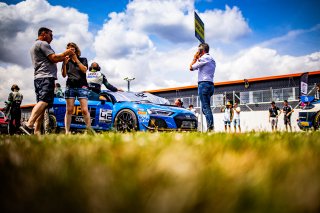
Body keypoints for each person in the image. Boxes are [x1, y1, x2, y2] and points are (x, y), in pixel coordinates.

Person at [20, 27, 75, 135]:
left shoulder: (35, 46)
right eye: (51, 35)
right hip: (46, 77)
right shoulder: (43, 44)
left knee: (42, 105)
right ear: (44, 34)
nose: (52, 38)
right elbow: (54, 58)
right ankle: (29, 125)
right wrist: (65, 53)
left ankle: (36, 132)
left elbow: (52, 59)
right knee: (44, 101)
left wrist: (63, 59)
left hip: (39, 78)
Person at [62, 42, 95, 135]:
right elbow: (64, 75)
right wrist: (64, 64)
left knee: (84, 110)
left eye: (72, 49)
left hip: (82, 86)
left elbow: (84, 70)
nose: (71, 51)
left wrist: (75, 59)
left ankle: (88, 130)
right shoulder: (66, 61)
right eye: (69, 49)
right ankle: (67, 131)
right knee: (69, 110)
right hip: (70, 86)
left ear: (76, 50)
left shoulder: (83, 59)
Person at [190, 43, 215, 132]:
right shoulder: (212, 59)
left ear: (202, 50)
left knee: (205, 108)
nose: (197, 51)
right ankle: (210, 127)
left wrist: (195, 57)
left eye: (198, 50)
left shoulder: (204, 58)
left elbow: (191, 67)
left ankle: (210, 129)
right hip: (211, 84)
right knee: (206, 108)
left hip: (203, 84)